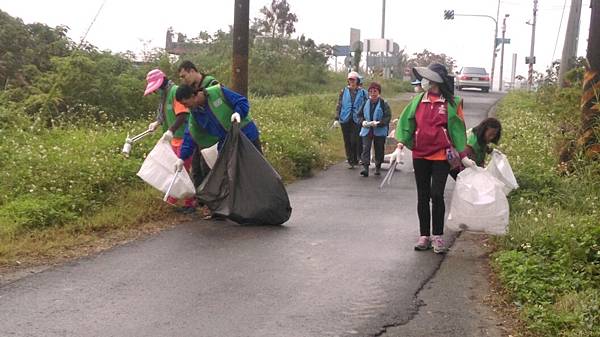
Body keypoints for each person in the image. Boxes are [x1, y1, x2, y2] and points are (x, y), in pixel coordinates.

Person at [394, 63, 468, 254]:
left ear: (436, 80)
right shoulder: (418, 100)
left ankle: (437, 236)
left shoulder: (452, 103)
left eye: (428, 78)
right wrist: (400, 145)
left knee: (437, 194)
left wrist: (463, 155)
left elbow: (458, 129)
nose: (424, 81)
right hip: (420, 154)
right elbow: (406, 123)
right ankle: (424, 235)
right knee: (423, 195)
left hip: (441, 155)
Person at [174, 83, 262, 173]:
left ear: (193, 95)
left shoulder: (217, 92)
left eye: (185, 103)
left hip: (247, 135)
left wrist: (238, 112)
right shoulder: (195, 115)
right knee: (234, 175)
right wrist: (182, 158)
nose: (185, 107)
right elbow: (191, 135)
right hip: (227, 144)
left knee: (258, 169)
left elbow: (241, 101)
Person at [143, 69, 196, 213]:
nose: (156, 91)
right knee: (173, 169)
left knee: (184, 170)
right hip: (174, 140)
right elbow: (165, 113)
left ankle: (189, 203)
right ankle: (172, 199)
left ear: (162, 82)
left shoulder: (174, 92)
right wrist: (157, 123)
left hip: (184, 136)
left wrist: (171, 130)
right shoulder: (164, 95)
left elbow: (183, 115)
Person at [334, 71, 368, 168]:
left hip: (357, 119)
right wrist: (337, 118)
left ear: (357, 81)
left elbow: (367, 105)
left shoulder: (363, 92)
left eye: (353, 80)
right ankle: (350, 160)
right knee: (347, 140)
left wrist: (366, 118)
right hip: (345, 118)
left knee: (355, 140)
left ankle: (357, 158)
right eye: (350, 80)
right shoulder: (343, 91)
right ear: (348, 81)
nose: (352, 82)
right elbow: (339, 104)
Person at [358, 82, 392, 177]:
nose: (373, 93)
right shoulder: (365, 103)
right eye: (371, 91)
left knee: (379, 149)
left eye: (375, 91)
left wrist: (379, 123)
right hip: (367, 129)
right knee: (366, 148)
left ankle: (378, 166)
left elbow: (387, 116)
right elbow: (359, 115)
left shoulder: (383, 103)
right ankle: (365, 168)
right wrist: (363, 122)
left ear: (379, 92)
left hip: (379, 130)